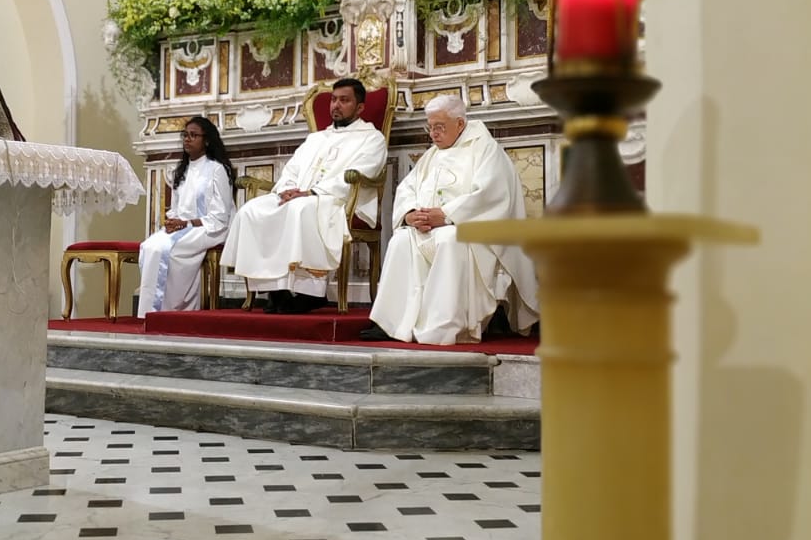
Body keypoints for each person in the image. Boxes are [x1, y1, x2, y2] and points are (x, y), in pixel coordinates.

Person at [362, 94, 538, 345]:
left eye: (439, 127)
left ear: (460, 124)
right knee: (401, 240)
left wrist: (446, 215)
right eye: (430, 127)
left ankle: (443, 326)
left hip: (470, 231)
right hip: (429, 226)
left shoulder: (485, 149)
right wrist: (410, 214)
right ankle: (392, 324)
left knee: (448, 239)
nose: (433, 134)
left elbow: (490, 194)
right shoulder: (432, 155)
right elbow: (407, 188)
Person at [221, 77, 387, 313]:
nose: (336, 105)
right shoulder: (316, 138)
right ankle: (274, 290)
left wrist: (311, 192)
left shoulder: (372, 138)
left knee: (301, 209)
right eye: (333, 100)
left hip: (336, 200)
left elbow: (363, 172)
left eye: (344, 100)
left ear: (359, 107)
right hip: (300, 196)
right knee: (251, 211)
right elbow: (292, 169)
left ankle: (311, 294)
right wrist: (287, 189)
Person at [136, 116, 235, 317]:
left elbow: (220, 215)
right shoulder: (181, 170)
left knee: (166, 250)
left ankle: (174, 310)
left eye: (193, 135)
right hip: (185, 227)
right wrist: (172, 221)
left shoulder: (217, 170)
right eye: (185, 135)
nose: (187, 139)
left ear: (206, 140)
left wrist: (187, 223)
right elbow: (176, 208)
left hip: (210, 228)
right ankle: (150, 311)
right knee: (148, 247)